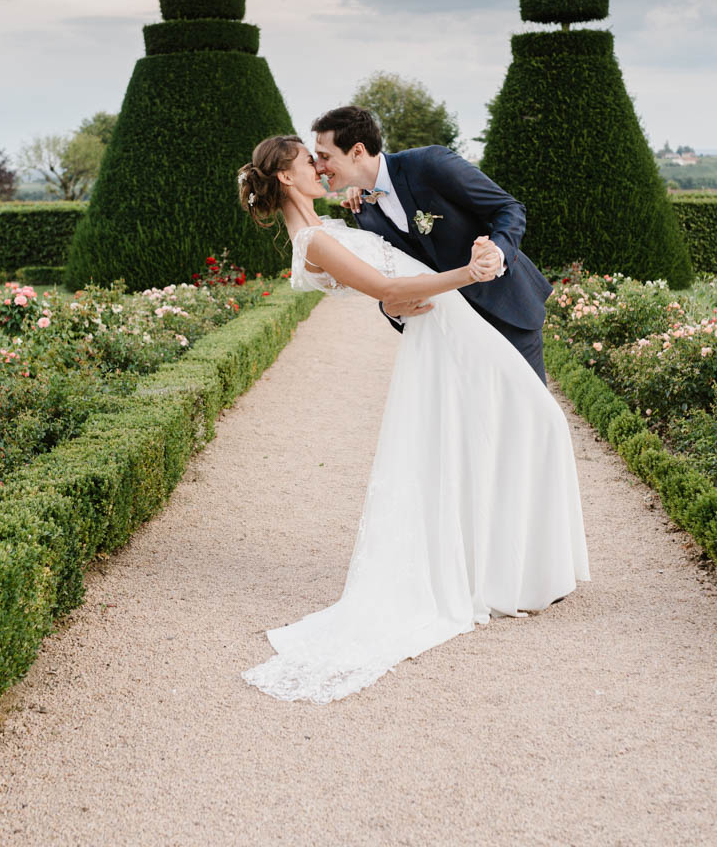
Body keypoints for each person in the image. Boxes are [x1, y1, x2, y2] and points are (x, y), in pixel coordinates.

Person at [236, 133, 589, 705]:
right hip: (448, 324)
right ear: (284, 176)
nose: (320, 167)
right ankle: (516, 575)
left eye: (322, 156)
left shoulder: (333, 220)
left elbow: (391, 253)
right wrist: (467, 276)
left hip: (453, 327)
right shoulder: (313, 241)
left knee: (520, 430)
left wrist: (363, 204)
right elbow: (389, 286)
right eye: (309, 161)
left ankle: (522, 570)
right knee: (535, 425)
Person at [312, 104, 554, 382]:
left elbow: (508, 208)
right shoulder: (363, 210)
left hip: (505, 309)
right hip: (449, 331)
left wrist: (496, 254)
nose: (318, 166)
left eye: (324, 156)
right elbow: (387, 277)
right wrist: (389, 308)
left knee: (526, 413)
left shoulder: (428, 164)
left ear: (357, 151)